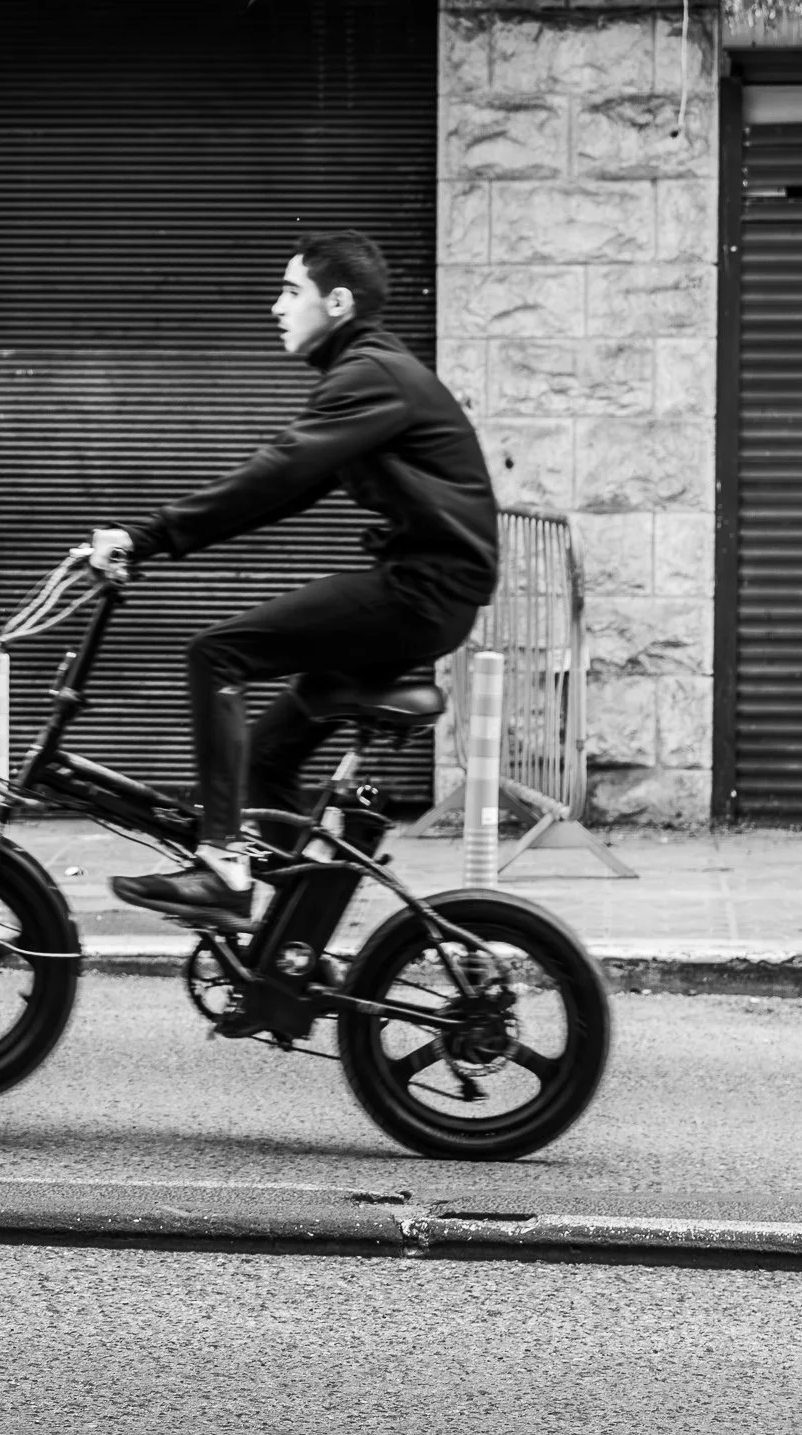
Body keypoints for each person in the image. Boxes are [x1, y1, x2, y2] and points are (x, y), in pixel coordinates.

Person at [91, 229, 498, 927]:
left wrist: (146, 533)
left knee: (217, 652)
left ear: (337, 302)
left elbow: (278, 470)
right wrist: (163, 540)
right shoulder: (366, 376)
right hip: (424, 590)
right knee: (271, 757)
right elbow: (286, 490)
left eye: (290, 291)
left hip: (422, 593)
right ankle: (285, 936)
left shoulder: (372, 375)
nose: (275, 306)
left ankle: (223, 865)